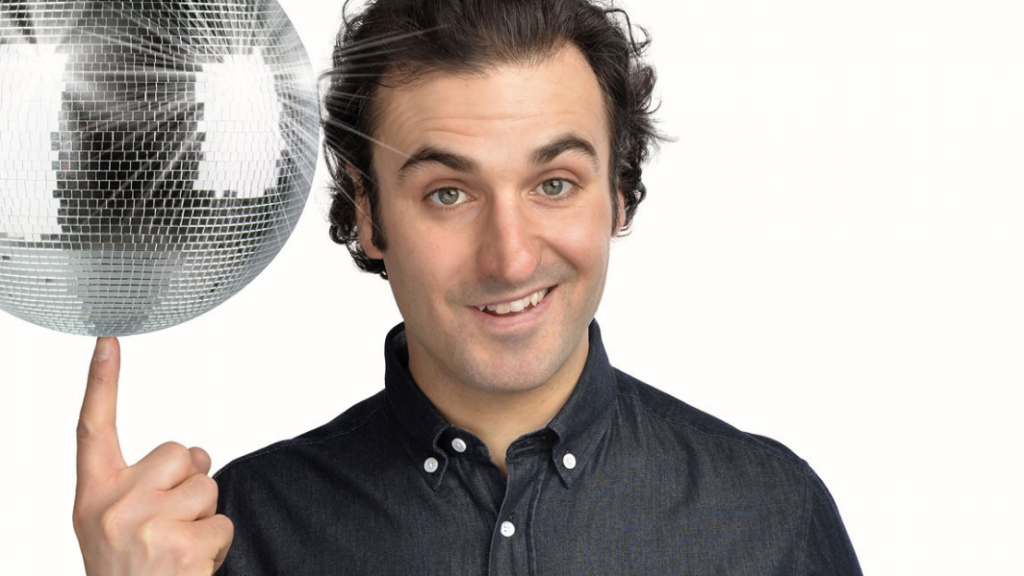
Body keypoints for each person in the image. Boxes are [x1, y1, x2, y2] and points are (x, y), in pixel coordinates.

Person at [72, 0, 863, 574]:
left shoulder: (771, 516)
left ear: (619, 192)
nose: (510, 259)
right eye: (448, 193)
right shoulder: (233, 536)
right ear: (368, 215)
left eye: (554, 184)